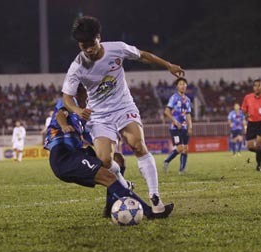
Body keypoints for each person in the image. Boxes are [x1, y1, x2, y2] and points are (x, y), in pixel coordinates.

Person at [62, 16, 184, 214]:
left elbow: (143, 55)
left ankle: (156, 200)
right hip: (100, 116)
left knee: (137, 144)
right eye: (84, 47)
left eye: (91, 45)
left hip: (123, 107)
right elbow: (66, 97)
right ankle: (123, 185)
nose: (89, 50)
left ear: (98, 38)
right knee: (104, 161)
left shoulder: (116, 48)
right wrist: (77, 110)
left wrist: (168, 65)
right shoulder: (77, 67)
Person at [43, 94, 173, 220]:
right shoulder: (69, 102)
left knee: (117, 159)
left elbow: (94, 138)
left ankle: (111, 204)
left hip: (77, 153)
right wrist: (64, 126)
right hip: (63, 155)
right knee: (109, 177)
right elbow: (61, 115)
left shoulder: (84, 116)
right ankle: (149, 212)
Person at [162, 77, 192, 174]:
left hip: (184, 127)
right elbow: (166, 111)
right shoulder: (174, 97)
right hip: (175, 128)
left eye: (184, 84)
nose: (183, 86)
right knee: (179, 148)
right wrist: (174, 121)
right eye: (180, 84)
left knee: (186, 148)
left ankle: (182, 170)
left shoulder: (187, 100)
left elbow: (188, 114)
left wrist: (190, 126)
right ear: (177, 86)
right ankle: (167, 161)